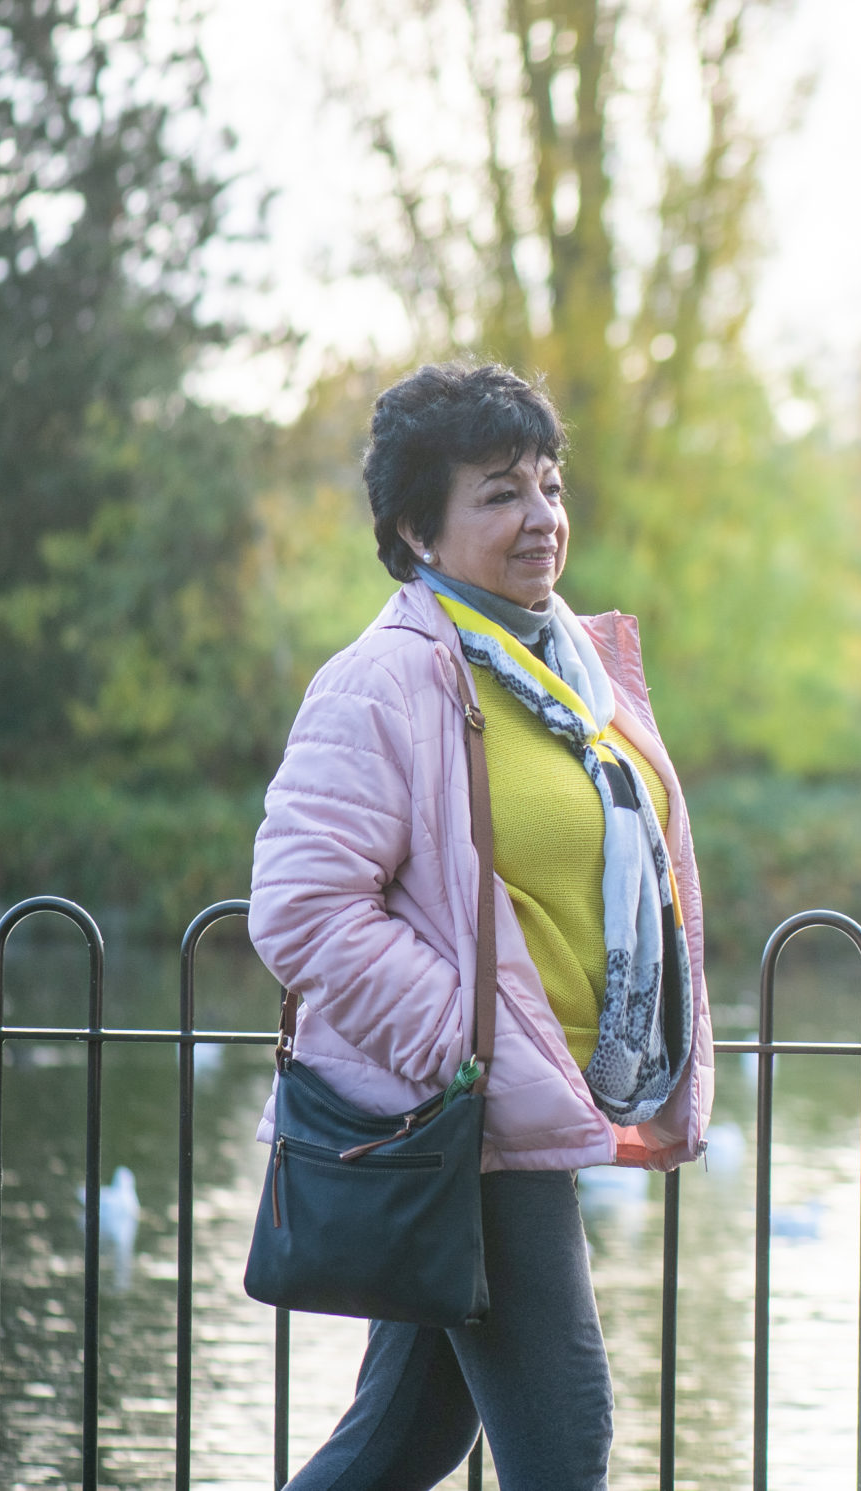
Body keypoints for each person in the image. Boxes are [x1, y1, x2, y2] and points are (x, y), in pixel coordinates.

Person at [250, 362, 713, 1490]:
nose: (543, 518)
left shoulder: (572, 673)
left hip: (521, 1106)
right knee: (566, 1445)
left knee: (402, 1442)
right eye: (500, 493)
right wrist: (468, 1047)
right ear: (417, 529)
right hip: (469, 1116)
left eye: (549, 485)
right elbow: (302, 910)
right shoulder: (385, 681)